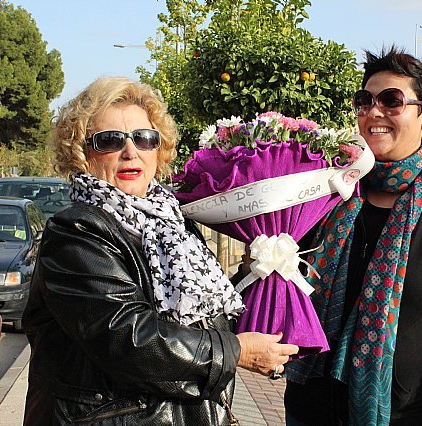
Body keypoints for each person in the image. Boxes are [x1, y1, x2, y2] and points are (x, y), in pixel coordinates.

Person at [22, 76, 298, 426]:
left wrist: (254, 275)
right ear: (81, 153)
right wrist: (237, 352)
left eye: (144, 138)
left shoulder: (173, 220)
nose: (130, 151)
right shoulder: (76, 232)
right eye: (110, 141)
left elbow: (197, 312)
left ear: (158, 148)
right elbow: (129, 338)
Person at [279, 47, 422, 425]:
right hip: (309, 410)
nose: (374, 112)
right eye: (365, 101)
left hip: (406, 416)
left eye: (391, 101)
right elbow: (288, 280)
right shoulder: (330, 194)